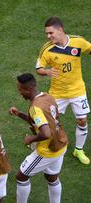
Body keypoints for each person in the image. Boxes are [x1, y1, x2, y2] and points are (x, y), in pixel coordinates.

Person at [35, 16, 91, 164]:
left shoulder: (77, 41)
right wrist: (47, 72)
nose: (48, 36)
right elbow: (38, 68)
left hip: (77, 90)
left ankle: (78, 150)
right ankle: (38, 140)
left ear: (60, 30)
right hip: (57, 93)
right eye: (47, 33)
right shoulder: (47, 49)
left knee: (82, 120)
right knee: (49, 121)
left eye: (51, 33)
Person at [10, 73, 68, 203]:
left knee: (21, 176)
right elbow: (43, 122)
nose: (20, 93)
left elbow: (46, 133)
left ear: (28, 89)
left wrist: (31, 139)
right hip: (61, 143)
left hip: (48, 151)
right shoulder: (47, 97)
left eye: (20, 89)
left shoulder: (36, 108)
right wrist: (19, 114)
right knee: (52, 178)